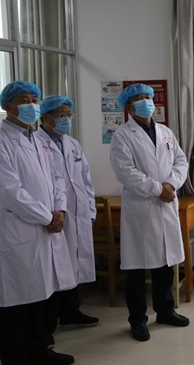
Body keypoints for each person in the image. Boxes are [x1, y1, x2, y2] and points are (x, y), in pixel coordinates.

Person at [0, 81, 76, 364]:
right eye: (24, 100)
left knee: (42, 296)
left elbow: (57, 178)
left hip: (46, 228)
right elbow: (9, 190)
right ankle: (16, 358)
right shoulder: (2, 139)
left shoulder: (38, 139)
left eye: (34, 99)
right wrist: (47, 217)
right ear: (7, 105)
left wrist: (60, 209)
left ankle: (41, 350)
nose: (31, 105)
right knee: (17, 302)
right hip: (19, 229)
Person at [109, 83, 190, 341]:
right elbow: (125, 172)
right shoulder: (122, 135)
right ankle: (137, 319)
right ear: (129, 106)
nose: (146, 101)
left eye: (148, 97)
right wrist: (158, 189)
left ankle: (165, 310)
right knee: (136, 268)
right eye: (139, 98)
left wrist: (172, 185)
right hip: (142, 208)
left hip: (166, 204)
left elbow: (181, 161)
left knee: (165, 263)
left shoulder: (165, 132)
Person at [37, 95, 99, 329]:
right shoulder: (37, 143)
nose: (65, 119)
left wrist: (90, 210)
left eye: (68, 115)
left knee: (74, 263)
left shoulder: (73, 144)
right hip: (54, 214)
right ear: (45, 117)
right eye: (60, 115)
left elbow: (85, 180)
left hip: (78, 212)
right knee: (56, 266)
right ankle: (50, 320)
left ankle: (71, 312)